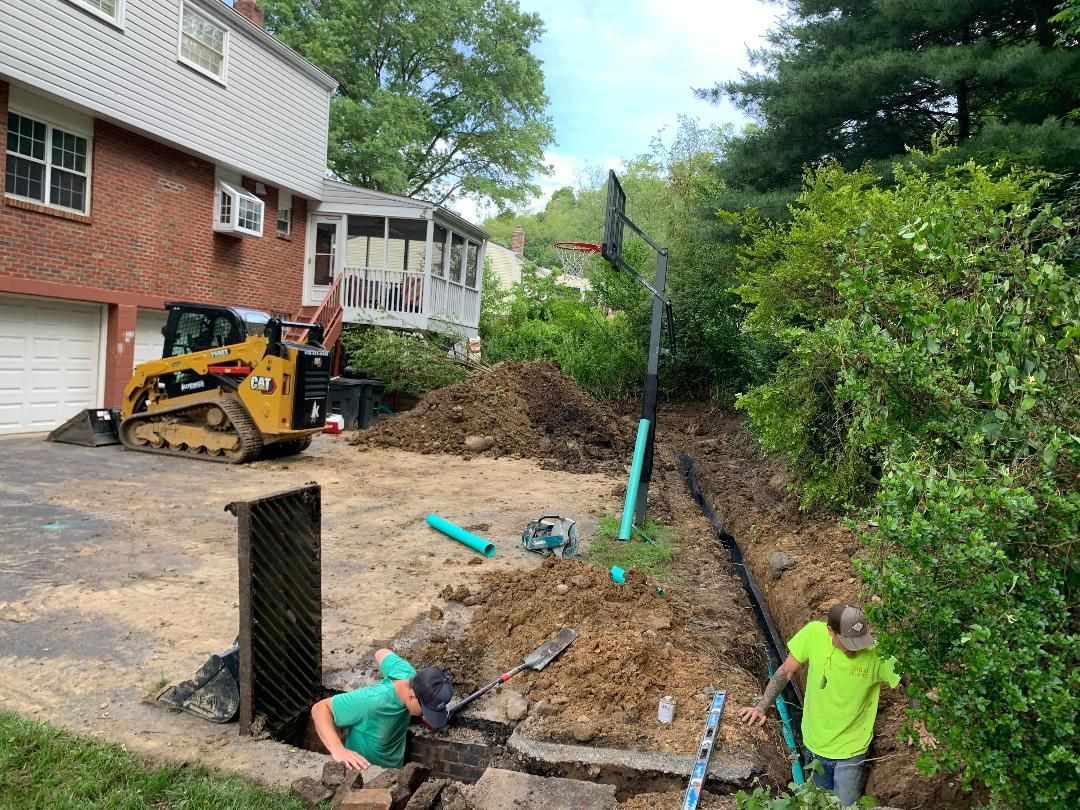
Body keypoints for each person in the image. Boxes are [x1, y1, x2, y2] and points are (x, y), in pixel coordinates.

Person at [738, 603, 935, 807]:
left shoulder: (877, 655)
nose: (855, 649)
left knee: (844, 806)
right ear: (830, 631)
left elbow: (910, 682)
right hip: (814, 745)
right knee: (817, 804)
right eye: (849, 643)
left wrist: (919, 725)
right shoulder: (813, 634)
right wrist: (761, 706)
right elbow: (785, 672)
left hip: (851, 753)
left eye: (859, 642)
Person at [311, 648, 454, 770]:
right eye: (424, 710)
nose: (424, 715)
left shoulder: (407, 673)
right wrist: (338, 749)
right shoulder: (371, 701)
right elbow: (320, 708)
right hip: (364, 774)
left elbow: (381, 652)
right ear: (411, 696)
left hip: (394, 772)